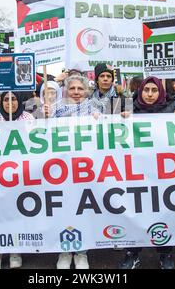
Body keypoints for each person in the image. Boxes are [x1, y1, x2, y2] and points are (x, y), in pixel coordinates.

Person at [119, 76, 175, 270]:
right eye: (146, 90)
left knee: (163, 212)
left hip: (163, 174)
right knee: (135, 212)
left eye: (154, 90)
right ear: (140, 91)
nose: (150, 94)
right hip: (135, 174)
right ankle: (132, 253)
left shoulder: (174, 107)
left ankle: (165, 253)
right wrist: (118, 117)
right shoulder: (127, 107)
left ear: (161, 92)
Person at [44, 74, 99, 269]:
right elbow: (42, 136)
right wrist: (45, 118)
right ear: (66, 90)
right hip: (61, 170)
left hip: (86, 170)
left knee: (85, 209)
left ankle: (82, 252)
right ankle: (65, 251)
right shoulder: (55, 109)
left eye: (80, 89)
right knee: (64, 209)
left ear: (86, 91)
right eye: (72, 88)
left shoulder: (95, 110)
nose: (76, 92)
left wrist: (101, 121)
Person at [0, 91, 34, 269]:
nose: (10, 103)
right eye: (6, 99)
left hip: (22, 175)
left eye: (13, 99)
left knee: (17, 212)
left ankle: (15, 250)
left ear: (19, 100)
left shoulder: (28, 118)